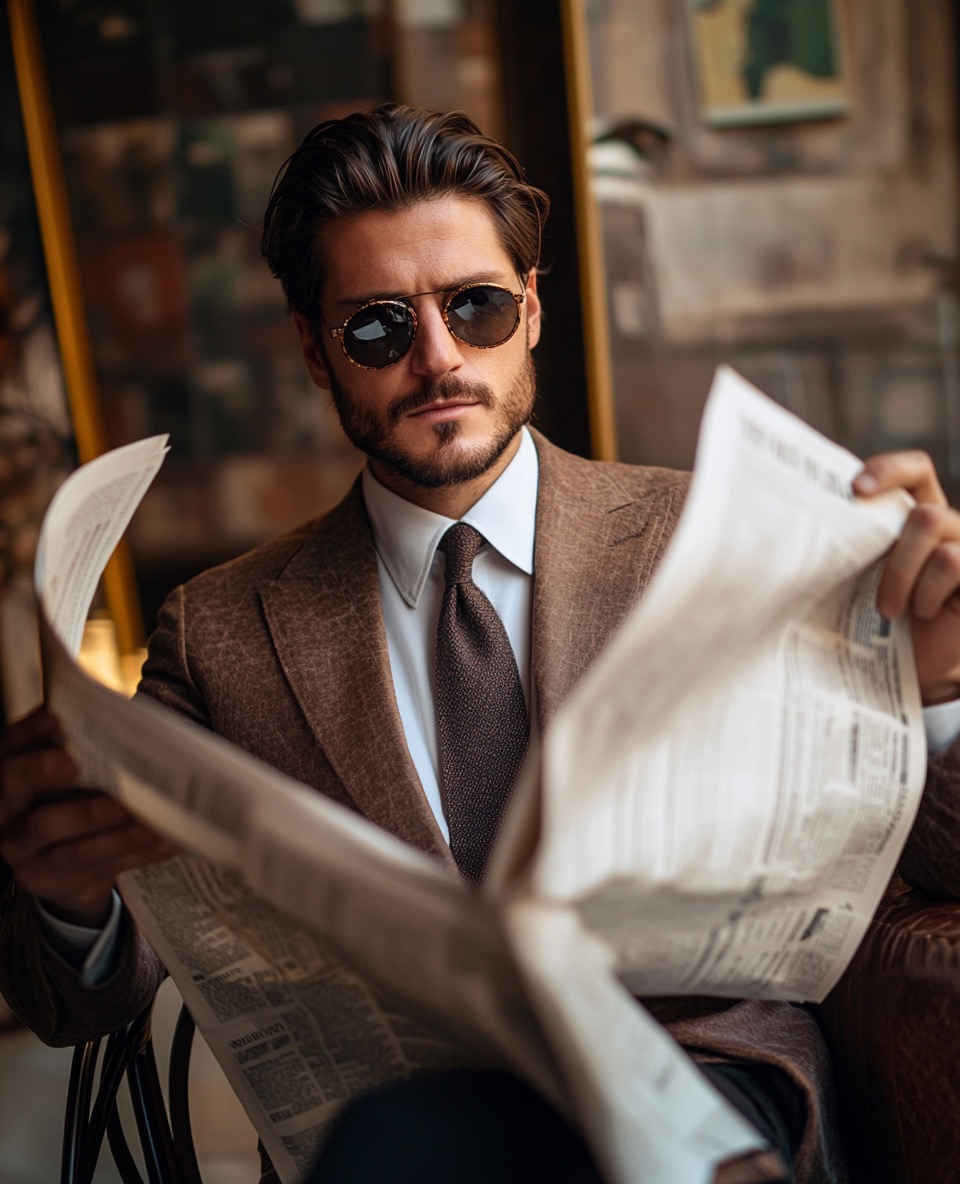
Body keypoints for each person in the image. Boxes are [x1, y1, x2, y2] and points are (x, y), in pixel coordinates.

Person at [1, 104, 960, 1184]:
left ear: (534, 308)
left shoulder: (715, 535)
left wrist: (936, 689)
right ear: (319, 353)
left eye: (478, 307)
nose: (439, 358)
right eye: (377, 327)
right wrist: (66, 891)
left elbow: (941, 862)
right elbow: (81, 998)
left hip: (696, 1090)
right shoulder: (218, 632)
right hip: (402, 1130)